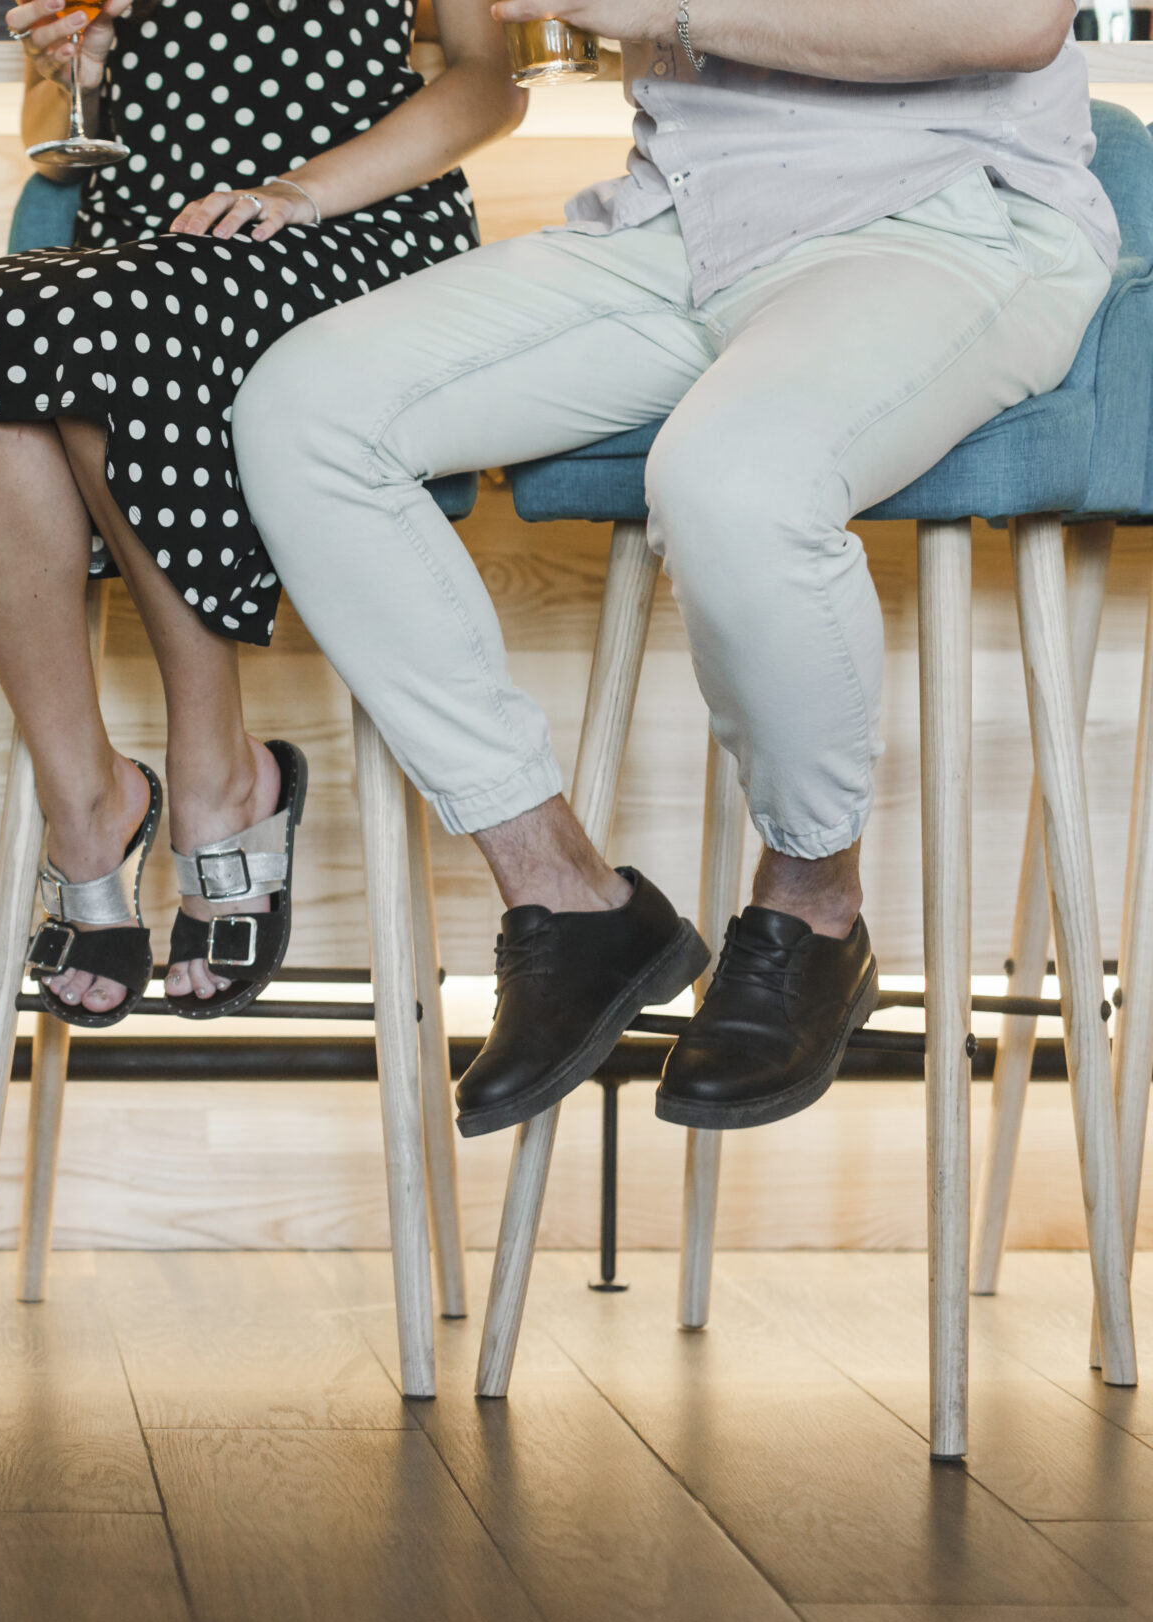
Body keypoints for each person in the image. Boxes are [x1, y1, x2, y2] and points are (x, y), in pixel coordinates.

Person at [235, 0, 1108, 1134]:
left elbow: (1011, 24)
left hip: (939, 223)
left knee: (731, 480)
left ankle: (813, 911)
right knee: (304, 410)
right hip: (679, 228)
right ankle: (565, 895)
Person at [0, 0, 520, 1027]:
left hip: (348, 225)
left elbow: (485, 83)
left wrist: (298, 193)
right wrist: (84, 71)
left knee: (107, 328)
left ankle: (217, 773)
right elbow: (47, 133)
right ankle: (88, 802)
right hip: (147, 235)